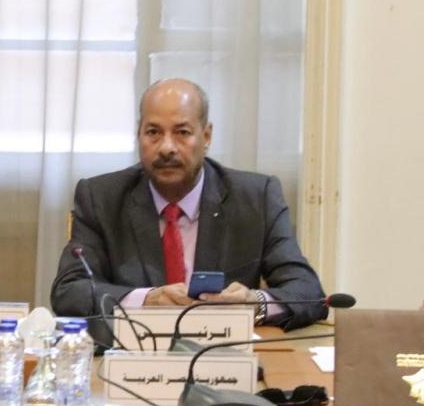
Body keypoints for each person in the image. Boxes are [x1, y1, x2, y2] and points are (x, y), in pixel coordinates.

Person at [50, 78, 327, 330]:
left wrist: (255, 304)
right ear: (138, 135)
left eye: (182, 132)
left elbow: (308, 292)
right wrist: (146, 300)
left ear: (206, 137)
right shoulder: (101, 198)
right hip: (130, 356)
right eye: (153, 132)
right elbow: (69, 292)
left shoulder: (255, 198)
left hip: (224, 356)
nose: (166, 147)